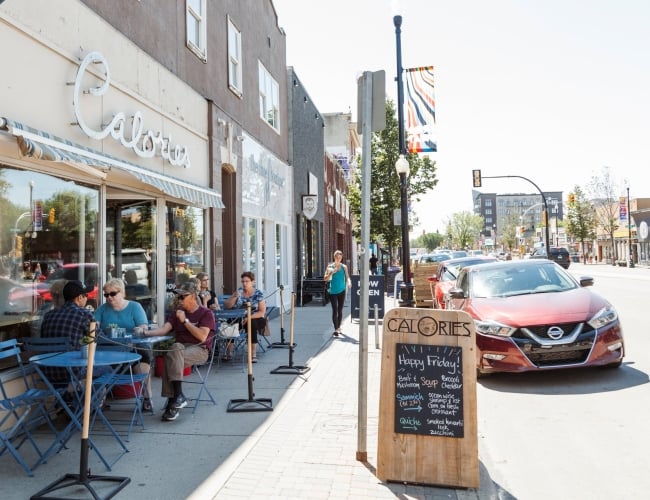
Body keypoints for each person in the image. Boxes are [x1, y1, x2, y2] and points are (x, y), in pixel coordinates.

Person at [145, 281, 215, 422]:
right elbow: (164, 329)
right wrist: (145, 332)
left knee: (172, 354)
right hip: (180, 349)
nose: (179, 299)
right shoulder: (177, 313)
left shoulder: (205, 313)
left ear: (193, 296)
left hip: (199, 349)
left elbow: (202, 336)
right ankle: (177, 397)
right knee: (175, 349)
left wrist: (185, 322)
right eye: (178, 296)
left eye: (183, 297)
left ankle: (173, 399)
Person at [94, 278, 153, 413]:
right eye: (106, 295)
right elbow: (93, 326)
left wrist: (138, 330)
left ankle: (147, 398)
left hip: (132, 347)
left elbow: (143, 326)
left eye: (112, 294)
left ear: (122, 293)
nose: (109, 297)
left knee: (143, 355)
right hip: (108, 350)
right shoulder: (102, 310)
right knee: (94, 359)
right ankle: (99, 399)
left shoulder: (134, 307)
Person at [40, 280, 94, 384]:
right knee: (107, 370)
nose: (87, 298)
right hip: (73, 372)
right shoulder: (84, 314)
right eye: (86, 295)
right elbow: (98, 338)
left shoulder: (48, 315)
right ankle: (82, 396)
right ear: (79, 298)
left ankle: (68, 394)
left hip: (47, 371)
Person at [223, 271, 266, 362]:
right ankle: (229, 352)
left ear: (252, 282)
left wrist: (249, 317)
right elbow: (227, 306)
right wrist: (234, 297)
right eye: (243, 281)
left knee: (252, 324)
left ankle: (253, 354)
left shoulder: (258, 293)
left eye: (247, 281)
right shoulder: (239, 291)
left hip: (256, 318)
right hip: (240, 317)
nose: (244, 283)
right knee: (230, 322)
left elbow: (261, 312)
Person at [324, 250, 350, 337]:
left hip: (342, 291)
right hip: (333, 291)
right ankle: (336, 329)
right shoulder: (330, 266)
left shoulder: (344, 267)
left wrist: (349, 282)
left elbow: (347, 277)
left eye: (340, 257)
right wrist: (332, 272)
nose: (339, 259)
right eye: (337, 257)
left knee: (340, 310)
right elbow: (325, 279)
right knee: (335, 310)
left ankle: (338, 327)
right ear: (334, 257)